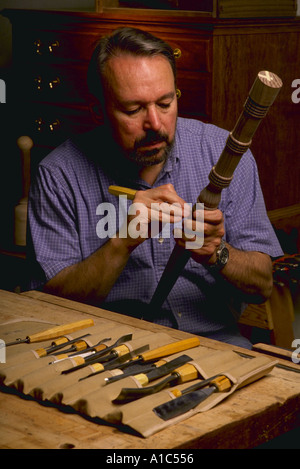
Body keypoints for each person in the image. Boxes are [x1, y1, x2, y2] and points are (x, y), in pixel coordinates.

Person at [27, 27, 283, 349]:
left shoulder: (221, 151)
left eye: (165, 103)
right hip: (106, 350)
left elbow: (263, 284)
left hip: (214, 346)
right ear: (98, 111)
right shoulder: (59, 174)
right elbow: (48, 307)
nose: (155, 125)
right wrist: (121, 243)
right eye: (133, 110)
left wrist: (217, 254)